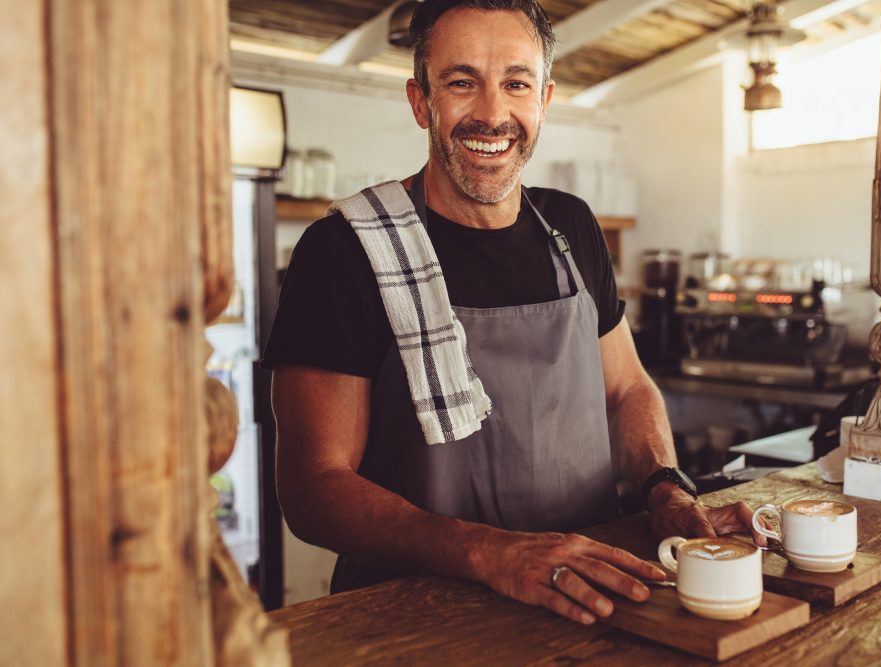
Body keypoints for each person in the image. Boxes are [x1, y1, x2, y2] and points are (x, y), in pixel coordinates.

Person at [263, 0, 762, 626]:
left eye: (516, 83)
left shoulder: (574, 227)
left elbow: (628, 388)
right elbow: (312, 490)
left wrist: (664, 484)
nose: (493, 113)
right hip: (413, 620)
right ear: (421, 102)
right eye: (462, 81)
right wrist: (489, 552)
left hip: (587, 597)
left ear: (544, 99)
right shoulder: (346, 250)